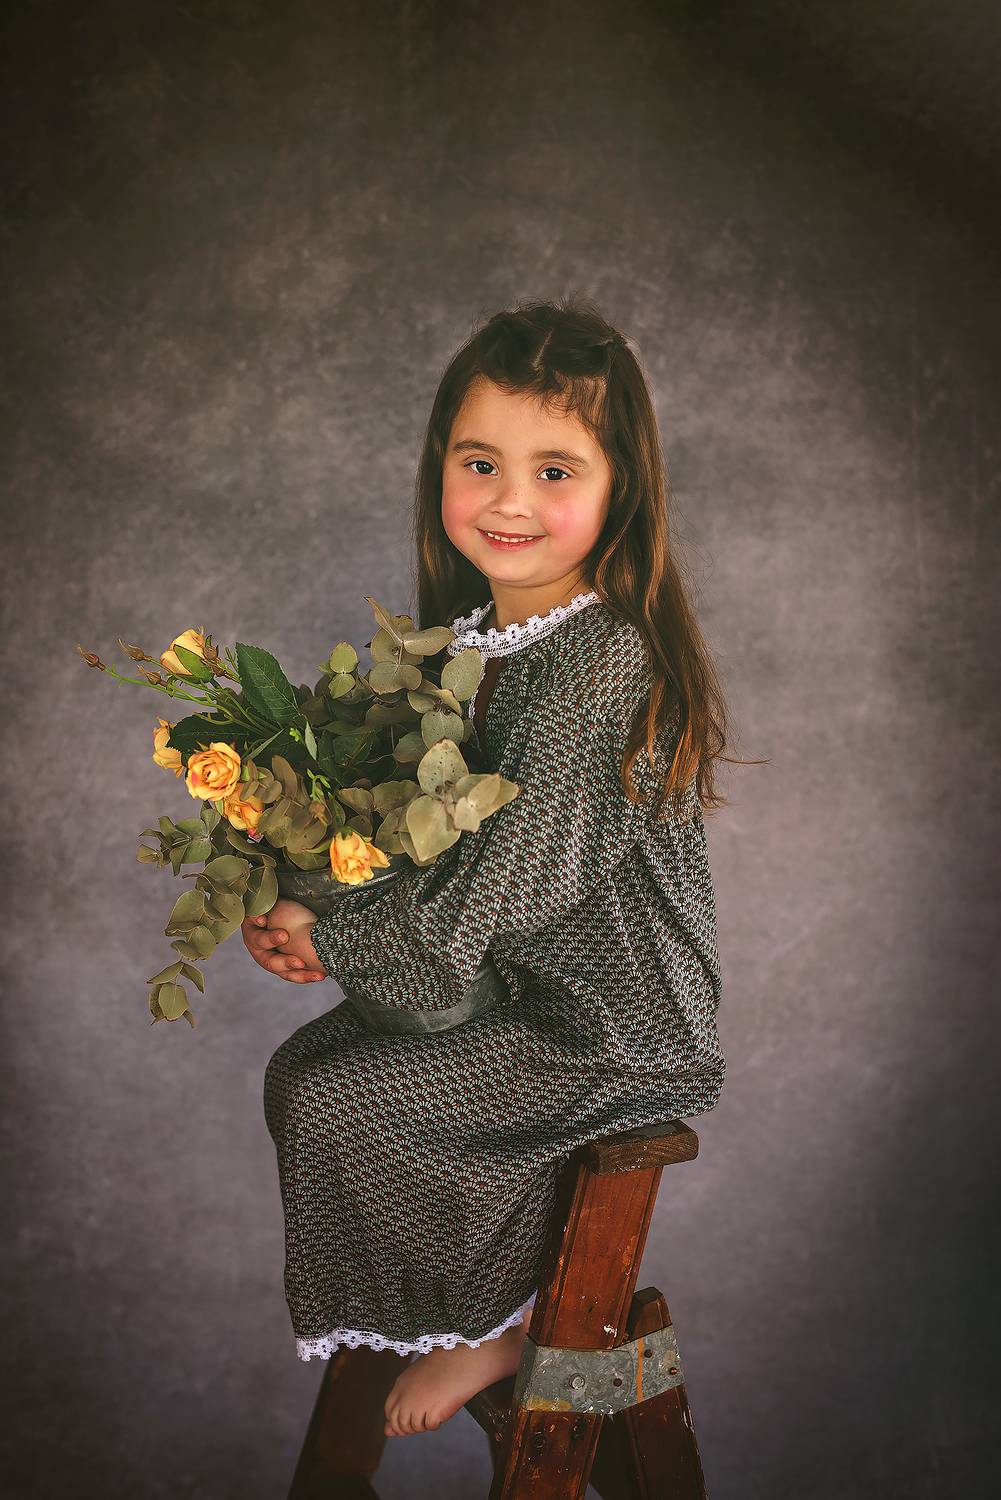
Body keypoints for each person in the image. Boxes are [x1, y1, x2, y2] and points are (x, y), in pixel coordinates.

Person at [245, 296, 735, 1439]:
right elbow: (407, 838)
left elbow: (495, 890)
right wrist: (293, 893)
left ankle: (489, 1321)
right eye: (480, 463)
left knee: (340, 1097)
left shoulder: (602, 664)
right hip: (508, 988)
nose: (509, 500)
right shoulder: (467, 649)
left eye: (553, 471)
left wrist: (336, 938)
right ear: (441, 469)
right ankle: (449, 1306)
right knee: (301, 1072)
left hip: (606, 1021)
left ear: (620, 489)